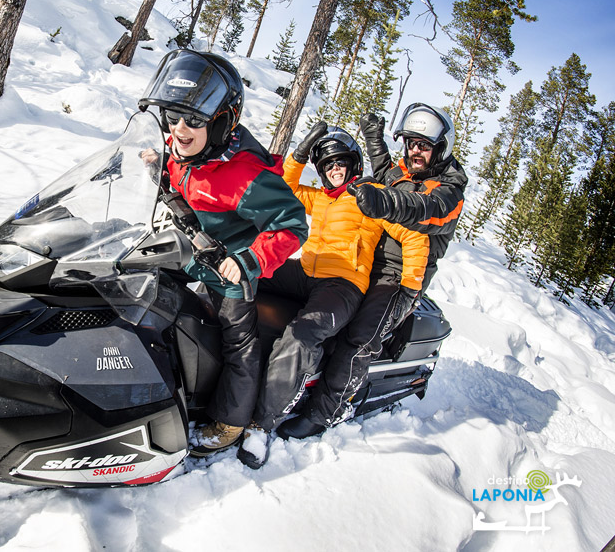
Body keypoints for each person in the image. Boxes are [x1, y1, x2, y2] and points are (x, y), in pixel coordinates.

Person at [138, 49, 309, 456]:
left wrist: (249, 260)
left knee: (239, 343)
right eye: (173, 116)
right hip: (191, 250)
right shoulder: (187, 150)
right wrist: (159, 165)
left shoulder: (246, 175)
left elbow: (293, 225)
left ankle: (230, 422)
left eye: (194, 121)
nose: (179, 129)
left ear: (219, 123)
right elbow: (183, 176)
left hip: (231, 270)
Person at [240, 122, 430, 467]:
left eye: (341, 162)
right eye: (328, 165)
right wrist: (300, 154)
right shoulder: (321, 198)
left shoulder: (369, 197)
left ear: (354, 165)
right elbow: (284, 186)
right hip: (304, 273)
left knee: (301, 335)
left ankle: (261, 425)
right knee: (244, 269)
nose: (335, 169)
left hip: (342, 285)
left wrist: (411, 287)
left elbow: (415, 236)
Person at [280, 103, 468, 440]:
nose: (415, 151)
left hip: (400, 276)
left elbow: (427, 209)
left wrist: (387, 203)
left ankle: (327, 411)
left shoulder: (449, 190)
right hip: (366, 264)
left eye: (424, 145)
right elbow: (382, 171)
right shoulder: (402, 173)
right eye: (411, 143)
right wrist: (373, 137)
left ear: (441, 147)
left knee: (360, 337)